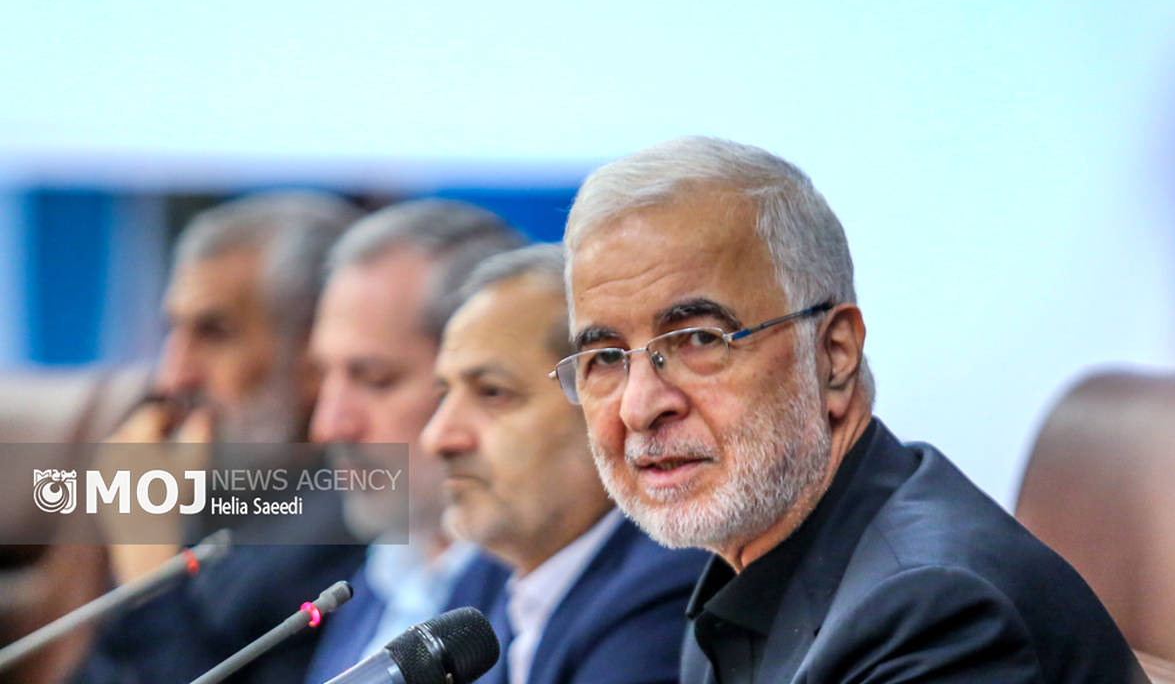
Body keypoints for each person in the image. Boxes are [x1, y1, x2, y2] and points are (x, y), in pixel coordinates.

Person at [559, 137, 1149, 683]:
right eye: (605, 358)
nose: (640, 407)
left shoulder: (935, 614)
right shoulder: (734, 595)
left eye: (700, 339)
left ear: (834, 355)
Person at [70, 191, 366, 684]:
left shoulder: (355, 523)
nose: (173, 376)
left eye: (213, 332)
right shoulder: (202, 484)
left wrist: (150, 580)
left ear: (315, 352)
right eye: (173, 330)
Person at [420, 243, 709, 684]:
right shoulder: (482, 581)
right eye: (444, 394)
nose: (438, 438)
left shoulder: (664, 590)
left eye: (492, 392)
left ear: (606, 398)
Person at [302, 199, 525, 683]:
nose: (329, 425)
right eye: (323, 377)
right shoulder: (374, 575)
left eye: (375, 379)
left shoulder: (538, 592)